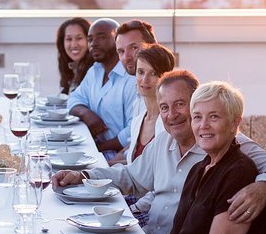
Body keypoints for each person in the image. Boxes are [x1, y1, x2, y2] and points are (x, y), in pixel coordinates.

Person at [53, 69, 266, 234]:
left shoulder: (226, 145)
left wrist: (264, 186)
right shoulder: (164, 141)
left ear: (196, 105)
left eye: (180, 104)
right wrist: (83, 175)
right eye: (165, 107)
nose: (172, 115)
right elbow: (131, 177)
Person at [153, 81, 266, 234]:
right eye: (197, 117)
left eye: (214, 117)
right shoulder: (199, 168)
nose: (203, 125)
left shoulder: (239, 172)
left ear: (235, 123)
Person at [67, 18, 136, 160]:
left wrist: (99, 147)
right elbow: (74, 99)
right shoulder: (95, 71)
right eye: (90, 39)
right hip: (93, 151)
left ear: (118, 41)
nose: (94, 44)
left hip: (118, 158)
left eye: (102, 37)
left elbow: (133, 131)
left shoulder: (131, 78)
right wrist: (86, 113)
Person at [108, 43, 176, 166]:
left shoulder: (171, 122)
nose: (145, 80)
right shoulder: (139, 119)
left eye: (153, 73)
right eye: (140, 72)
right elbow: (135, 166)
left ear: (166, 76)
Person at [56, 17, 94, 94]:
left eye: (79, 38)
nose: (73, 45)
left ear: (89, 40)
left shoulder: (96, 69)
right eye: (69, 39)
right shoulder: (70, 66)